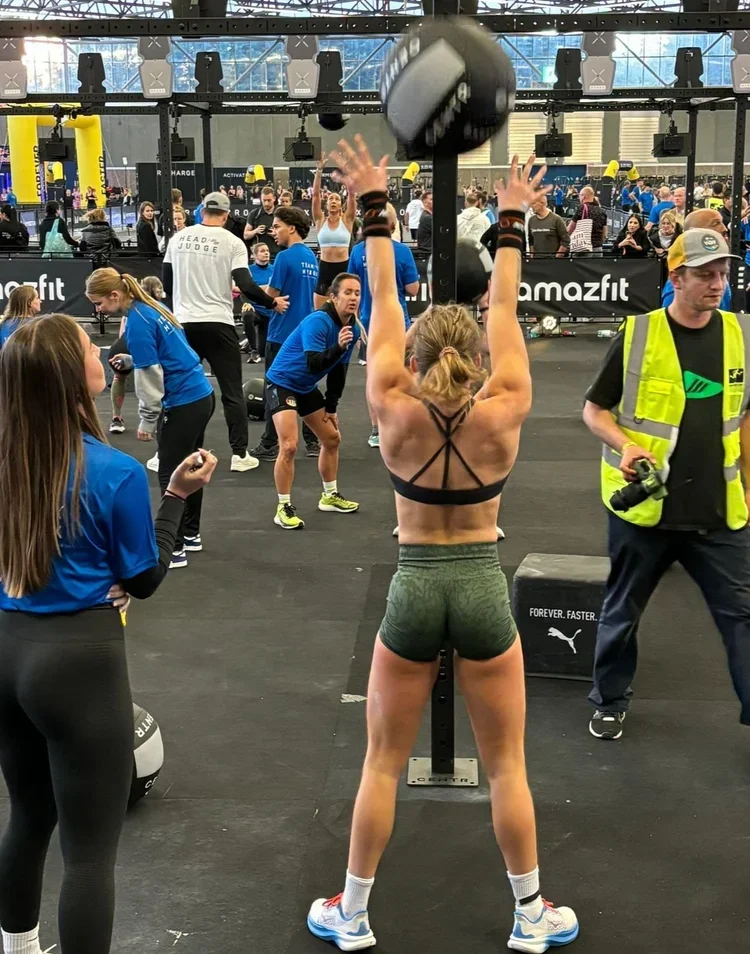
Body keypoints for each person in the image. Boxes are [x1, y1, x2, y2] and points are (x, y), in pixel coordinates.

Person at [307, 135, 579, 954]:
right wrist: (507, 217)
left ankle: (351, 914)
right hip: (482, 583)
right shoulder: (508, 403)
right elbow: (505, 306)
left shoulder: (392, 402)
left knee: (383, 764)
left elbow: (383, 294)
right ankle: (531, 915)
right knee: (506, 768)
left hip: (417, 581)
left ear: (419, 356)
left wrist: (375, 204)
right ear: (479, 355)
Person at [0, 311, 216, 954]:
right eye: (91, 347)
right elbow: (143, 579)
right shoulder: (116, 471)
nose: (103, 348)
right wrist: (174, 498)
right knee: (90, 855)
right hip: (79, 663)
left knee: (29, 817)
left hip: (7, 651)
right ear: (74, 380)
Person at [582, 228, 750, 742]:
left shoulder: (742, 333)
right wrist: (626, 445)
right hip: (646, 512)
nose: (717, 284)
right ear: (676, 277)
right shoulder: (636, 336)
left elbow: (745, 420)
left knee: (743, 617)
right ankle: (610, 700)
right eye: (704, 275)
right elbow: (593, 411)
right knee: (622, 613)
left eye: (721, 274)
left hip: (719, 512)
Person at [86, 268, 216, 569]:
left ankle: (176, 547)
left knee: (172, 474)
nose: (98, 309)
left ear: (115, 295)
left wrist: (146, 420)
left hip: (183, 402)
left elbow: (151, 375)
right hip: (201, 395)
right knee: (191, 466)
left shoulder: (137, 322)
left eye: (99, 303)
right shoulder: (154, 307)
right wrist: (134, 360)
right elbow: (169, 353)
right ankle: (191, 535)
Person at [162, 191, 287, 472]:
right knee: (232, 391)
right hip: (218, 323)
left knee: (176, 388)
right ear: (227, 215)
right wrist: (272, 302)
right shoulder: (233, 242)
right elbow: (245, 284)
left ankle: (165, 453)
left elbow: (166, 284)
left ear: (202, 210)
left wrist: (181, 305)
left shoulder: (177, 238)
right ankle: (239, 455)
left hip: (183, 323)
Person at [266, 273, 362, 529]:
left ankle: (329, 495)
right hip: (282, 382)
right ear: (333, 296)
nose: (353, 298)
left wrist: (331, 406)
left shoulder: (350, 327)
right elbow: (314, 363)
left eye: (357, 293)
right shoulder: (318, 322)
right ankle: (283, 507)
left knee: (332, 439)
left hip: (305, 386)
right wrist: (339, 348)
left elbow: (339, 371)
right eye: (348, 293)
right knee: (289, 446)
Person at [250, 206, 320, 461]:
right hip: (306, 335)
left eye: (277, 226)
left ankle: (270, 444)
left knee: (274, 390)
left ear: (291, 228)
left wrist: (249, 294)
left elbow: (270, 298)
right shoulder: (312, 257)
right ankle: (313, 441)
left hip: (281, 336)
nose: (273, 231)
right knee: (305, 386)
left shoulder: (284, 257)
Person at [348, 203, 420, 448]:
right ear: (393, 226)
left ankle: (377, 430)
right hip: (398, 322)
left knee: (374, 378)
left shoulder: (358, 252)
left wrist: (355, 324)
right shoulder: (401, 251)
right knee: (407, 373)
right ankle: (405, 426)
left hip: (369, 324)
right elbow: (413, 288)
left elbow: (351, 290)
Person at [661, 208, 731, 310]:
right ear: (693, 231)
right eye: (715, 223)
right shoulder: (679, 287)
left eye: (722, 274)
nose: (724, 228)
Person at [312, 156, 357, 310]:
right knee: (320, 313)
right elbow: (315, 195)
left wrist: (345, 172)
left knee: (348, 312)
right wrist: (319, 171)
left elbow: (352, 194)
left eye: (337, 199)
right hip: (325, 268)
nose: (333, 201)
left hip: (344, 268)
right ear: (326, 204)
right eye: (330, 198)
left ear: (340, 205)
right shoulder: (319, 220)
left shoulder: (347, 220)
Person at [241, 242, 274, 364]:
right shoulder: (248, 270)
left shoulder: (274, 269)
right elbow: (243, 290)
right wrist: (246, 302)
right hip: (255, 310)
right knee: (247, 314)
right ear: (254, 255)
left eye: (267, 251)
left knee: (264, 352)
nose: (266, 253)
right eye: (262, 251)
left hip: (269, 311)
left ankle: (249, 343)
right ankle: (253, 351)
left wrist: (256, 288)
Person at [567, 185, 607, 257]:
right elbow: (604, 235)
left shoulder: (582, 208)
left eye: (580, 195)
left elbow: (570, 229)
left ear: (583, 196)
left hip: (583, 249)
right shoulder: (602, 211)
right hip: (598, 249)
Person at [244, 186, 282, 260]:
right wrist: (255, 231)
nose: (266, 203)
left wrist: (277, 234)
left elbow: (289, 234)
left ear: (274, 198)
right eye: (264, 200)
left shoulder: (281, 213)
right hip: (259, 257)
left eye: (269, 200)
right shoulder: (254, 214)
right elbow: (245, 235)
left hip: (278, 254)